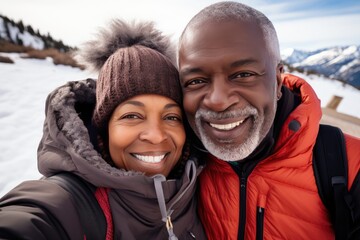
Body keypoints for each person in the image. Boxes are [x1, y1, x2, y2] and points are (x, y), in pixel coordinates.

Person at [0, 19, 206, 240]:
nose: (156, 135)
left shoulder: (201, 183)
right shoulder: (72, 201)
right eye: (132, 116)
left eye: (171, 116)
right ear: (104, 128)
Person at [177, 1, 360, 240]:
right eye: (196, 81)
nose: (218, 101)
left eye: (243, 75)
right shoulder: (182, 161)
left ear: (278, 81)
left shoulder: (349, 165)